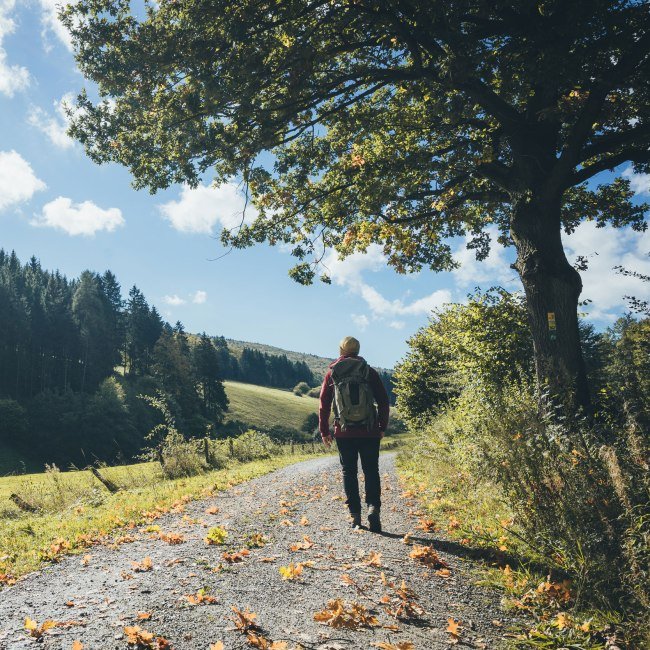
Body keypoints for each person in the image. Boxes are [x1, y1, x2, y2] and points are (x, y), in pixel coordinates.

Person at [319, 336, 390, 532]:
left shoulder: (332, 373)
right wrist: (382, 426)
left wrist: (325, 430)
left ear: (341, 350)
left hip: (344, 431)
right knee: (371, 471)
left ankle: (355, 516)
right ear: (358, 350)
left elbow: (324, 405)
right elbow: (384, 401)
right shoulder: (369, 371)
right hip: (369, 430)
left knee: (349, 472)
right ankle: (373, 508)